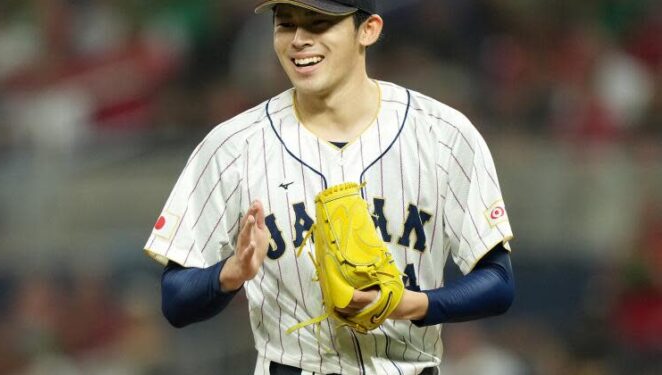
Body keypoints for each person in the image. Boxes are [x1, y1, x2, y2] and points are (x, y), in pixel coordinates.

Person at [143, 1, 515, 374]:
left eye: (319, 24)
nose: (299, 40)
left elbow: (498, 283)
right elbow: (176, 299)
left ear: (367, 30)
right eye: (285, 25)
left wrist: (410, 304)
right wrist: (232, 272)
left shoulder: (443, 135)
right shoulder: (233, 146)